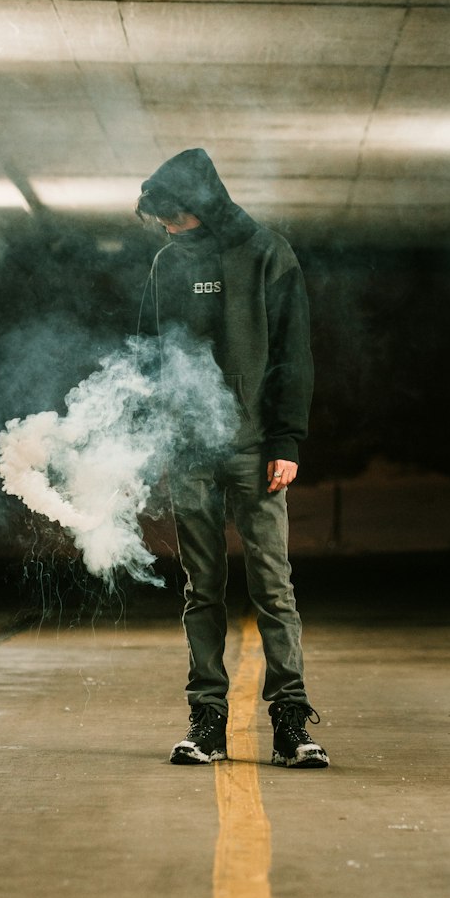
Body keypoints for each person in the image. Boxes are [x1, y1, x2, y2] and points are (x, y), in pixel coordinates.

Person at [136, 147, 329, 769]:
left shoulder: (269, 253)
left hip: (255, 450)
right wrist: (152, 441)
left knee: (274, 585)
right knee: (203, 588)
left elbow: (293, 352)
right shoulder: (168, 263)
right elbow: (148, 354)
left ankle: (292, 722)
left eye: (174, 215)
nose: (167, 227)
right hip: (190, 450)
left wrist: (286, 441)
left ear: (202, 206)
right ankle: (208, 721)